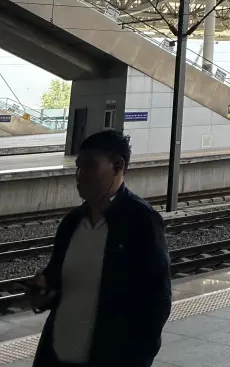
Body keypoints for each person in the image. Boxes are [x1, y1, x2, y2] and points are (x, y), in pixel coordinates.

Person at [30, 129, 171, 367]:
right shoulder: (72, 222)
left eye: (89, 166)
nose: (79, 175)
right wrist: (42, 292)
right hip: (55, 356)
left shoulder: (142, 221)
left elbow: (158, 299)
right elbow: (56, 280)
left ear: (118, 166)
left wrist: (137, 357)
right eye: (78, 167)